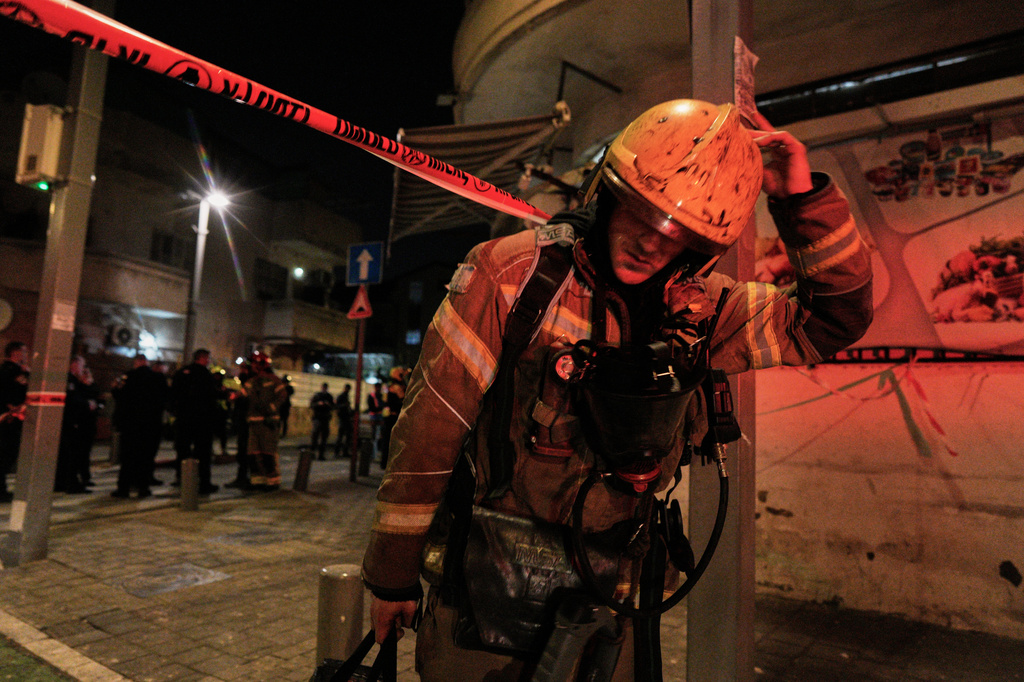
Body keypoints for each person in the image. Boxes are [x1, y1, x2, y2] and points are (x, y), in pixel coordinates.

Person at [361, 102, 873, 680]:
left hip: (611, 594)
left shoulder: (708, 313)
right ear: (608, 194)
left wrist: (800, 202)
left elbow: (833, 320)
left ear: (703, 247)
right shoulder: (511, 277)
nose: (653, 244)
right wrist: (392, 573)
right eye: (642, 214)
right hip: (486, 593)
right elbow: (431, 426)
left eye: (679, 233)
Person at [111, 355, 168, 498]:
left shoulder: (129, 377)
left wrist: (114, 389)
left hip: (131, 425)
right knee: (146, 458)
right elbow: (166, 400)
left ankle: (123, 488)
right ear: (146, 363)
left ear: (136, 363)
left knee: (128, 457)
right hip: (151, 425)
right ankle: (143, 488)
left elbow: (120, 397)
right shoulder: (158, 378)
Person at [169, 349, 220, 495]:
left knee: (182, 449)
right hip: (202, 420)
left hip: (184, 418)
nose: (209, 361)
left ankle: (181, 478)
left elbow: (173, 394)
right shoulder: (206, 375)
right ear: (203, 358)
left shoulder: (182, 373)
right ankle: (204, 483)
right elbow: (212, 397)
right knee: (203, 452)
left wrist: (175, 411)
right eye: (208, 358)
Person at [240, 351, 288, 491]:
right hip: (254, 423)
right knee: (254, 453)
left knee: (268, 453)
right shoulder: (251, 382)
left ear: (262, 364)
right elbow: (242, 394)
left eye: (255, 363)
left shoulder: (274, 380)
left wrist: (271, 408)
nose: (253, 366)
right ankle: (258, 481)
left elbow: (282, 396)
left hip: (268, 422)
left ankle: (272, 482)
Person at [55, 356, 100, 494]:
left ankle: (62, 482)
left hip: (74, 422)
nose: (83, 369)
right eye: (81, 365)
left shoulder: (75, 380)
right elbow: (71, 399)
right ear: (74, 365)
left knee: (67, 455)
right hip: (71, 422)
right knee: (71, 455)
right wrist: (87, 404)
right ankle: (71, 484)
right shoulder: (70, 380)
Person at [0, 341, 29, 503]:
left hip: (13, 416)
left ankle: (2, 488)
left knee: (7, 454)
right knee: (6, 454)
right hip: (10, 417)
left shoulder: (15, 370)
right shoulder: (10, 371)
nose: (25, 355)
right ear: (15, 353)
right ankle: (1, 489)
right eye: (23, 352)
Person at [225, 360, 255, 489]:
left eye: (243, 368)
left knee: (246, 451)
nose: (240, 371)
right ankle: (242, 477)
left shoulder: (252, 383)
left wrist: (238, 397)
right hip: (242, 420)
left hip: (249, 422)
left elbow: (250, 399)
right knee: (242, 451)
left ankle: (247, 478)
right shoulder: (244, 383)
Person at [378, 377, 405, 469]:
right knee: (392, 441)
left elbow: (384, 401)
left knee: (386, 440)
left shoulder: (388, 387)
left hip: (388, 417)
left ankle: (384, 462)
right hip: (394, 417)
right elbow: (403, 400)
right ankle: (388, 463)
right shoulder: (398, 387)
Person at [309, 382, 335, 460]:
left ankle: (321, 455)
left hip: (325, 419)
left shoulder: (329, 396)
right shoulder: (317, 395)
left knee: (323, 438)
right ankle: (312, 454)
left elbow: (333, 407)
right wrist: (318, 404)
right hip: (318, 418)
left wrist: (328, 405)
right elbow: (311, 405)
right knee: (315, 437)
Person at [333, 384, 352, 458]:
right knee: (340, 436)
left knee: (347, 436)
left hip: (346, 418)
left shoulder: (346, 396)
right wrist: (345, 405)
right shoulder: (341, 396)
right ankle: (337, 452)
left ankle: (345, 451)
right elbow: (336, 406)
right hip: (343, 418)